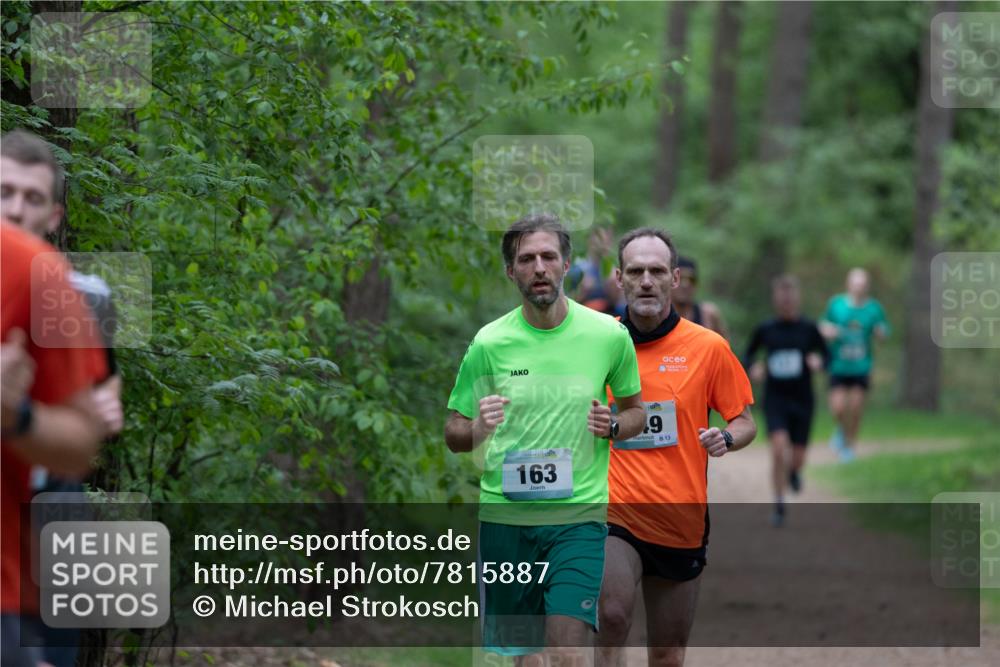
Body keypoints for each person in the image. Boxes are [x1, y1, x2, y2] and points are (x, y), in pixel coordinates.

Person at [444, 213, 646, 664]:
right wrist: (477, 429)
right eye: (527, 259)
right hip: (507, 521)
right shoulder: (489, 343)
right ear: (510, 270)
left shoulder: (608, 335)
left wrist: (613, 425)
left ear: (567, 263)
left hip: (579, 519)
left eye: (548, 256)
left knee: (567, 653)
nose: (539, 267)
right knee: (526, 656)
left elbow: (636, 413)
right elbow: (453, 433)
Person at [597, 228, 756, 667]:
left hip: (679, 515)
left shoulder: (708, 348)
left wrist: (725, 437)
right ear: (619, 278)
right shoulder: (596, 342)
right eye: (635, 271)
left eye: (656, 271)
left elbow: (744, 421)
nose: (645, 280)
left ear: (674, 278)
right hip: (613, 509)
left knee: (667, 653)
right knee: (610, 616)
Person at [1, 220, 109, 667]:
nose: (17, 207)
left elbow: (89, 425)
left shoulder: (43, 274)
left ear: (54, 213)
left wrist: (15, 415)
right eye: (6, 191)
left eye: (31, 196)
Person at [744, 275, 828, 526]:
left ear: (797, 300)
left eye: (790, 300)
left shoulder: (809, 329)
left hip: (803, 400)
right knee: (779, 449)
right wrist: (754, 367)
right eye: (782, 300)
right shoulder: (766, 329)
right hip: (776, 399)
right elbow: (748, 354)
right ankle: (779, 503)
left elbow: (827, 355)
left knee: (798, 456)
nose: (786, 304)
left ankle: (794, 472)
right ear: (775, 301)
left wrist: (819, 362)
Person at [819, 268, 889, 462]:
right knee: (838, 408)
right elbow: (822, 325)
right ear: (848, 284)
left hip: (861, 367)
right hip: (838, 365)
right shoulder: (837, 304)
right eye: (856, 283)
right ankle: (842, 431)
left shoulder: (874, 308)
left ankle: (850, 447)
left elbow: (883, 331)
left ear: (867, 286)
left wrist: (880, 333)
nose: (859, 288)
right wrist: (828, 330)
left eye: (863, 284)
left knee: (856, 408)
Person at [672, 256, 727, 340]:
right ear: (671, 281)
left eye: (691, 280)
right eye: (681, 278)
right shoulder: (658, 315)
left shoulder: (708, 314)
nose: (685, 284)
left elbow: (724, 348)